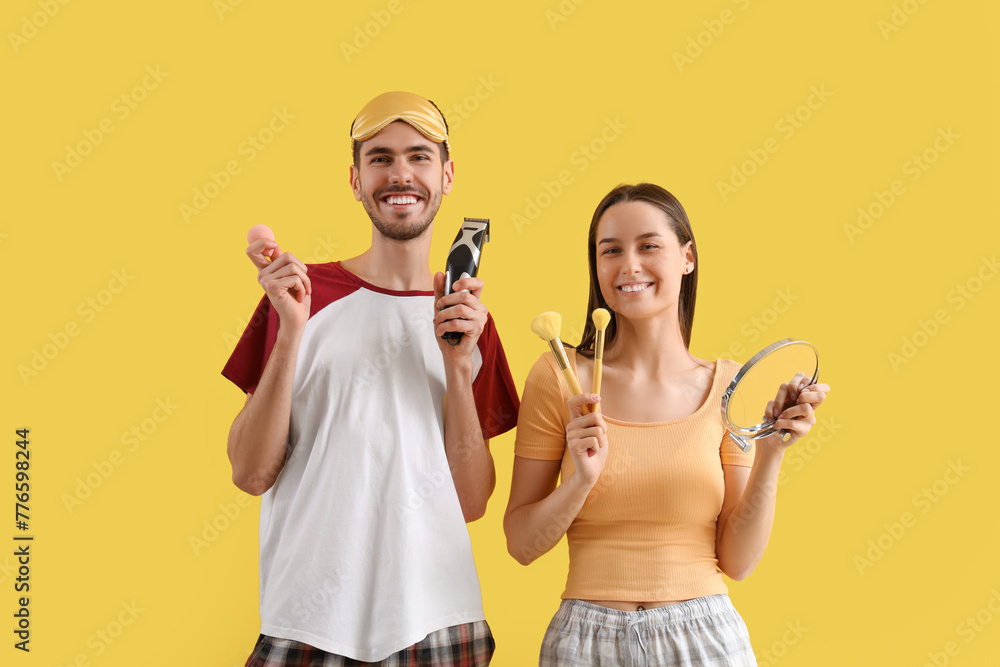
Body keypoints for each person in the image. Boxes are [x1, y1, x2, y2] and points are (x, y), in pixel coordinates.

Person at [222, 91, 519, 666]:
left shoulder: (470, 323)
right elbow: (250, 472)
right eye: (380, 157)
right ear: (355, 180)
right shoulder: (302, 296)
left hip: (438, 618)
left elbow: (472, 501)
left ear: (447, 174)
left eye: (419, 156)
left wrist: (460, 370)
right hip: (307, 620)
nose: (400, 173)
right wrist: (289, 331)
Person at [503, 183, 830, 666]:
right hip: (585, 643)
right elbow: (521, 545)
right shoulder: (561, 378)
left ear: (687, 257)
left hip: (704, 639)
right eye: (610, 250)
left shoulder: (726, 386)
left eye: (649, 245)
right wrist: (581, 482)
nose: (628, 265)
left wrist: (771, 451)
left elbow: (737, 562)